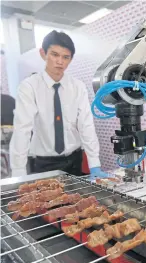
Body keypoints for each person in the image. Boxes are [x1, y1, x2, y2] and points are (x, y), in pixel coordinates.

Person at [10, 30, 108, 179]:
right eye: (54, 54)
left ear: (71, 59)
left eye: (65, 57)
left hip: (74, 160)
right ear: (43, 53)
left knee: (75, 201)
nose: (60, 62)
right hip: (43, 164)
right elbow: (22, 130)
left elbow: (86, 125)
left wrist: (94, 163)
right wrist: (18, 173)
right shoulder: (29, 87)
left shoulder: (78, 87)